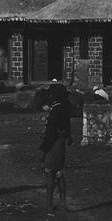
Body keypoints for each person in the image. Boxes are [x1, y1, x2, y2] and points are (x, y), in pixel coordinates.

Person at [38, 82, 73, 211]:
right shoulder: (64, 108)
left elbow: (50, 133)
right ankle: (63, 202)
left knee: (49, 173)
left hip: (53, 145)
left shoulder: (55, 110)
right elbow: (68, 128)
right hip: (61, 143)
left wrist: (44, 149)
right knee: (59, 173)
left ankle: (48, 204)